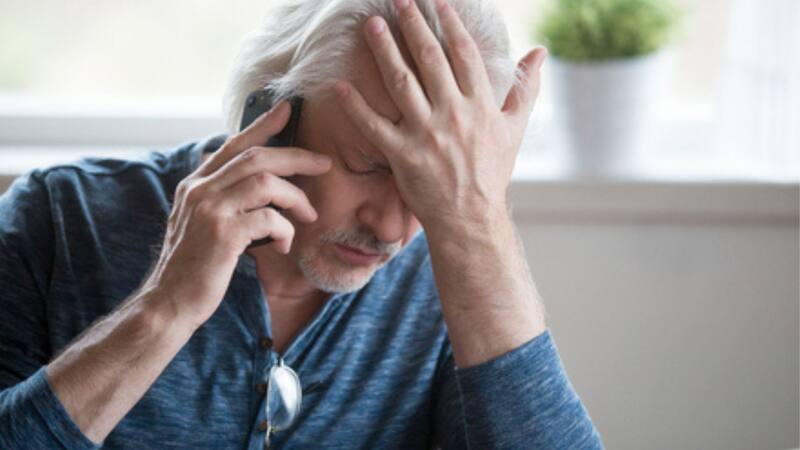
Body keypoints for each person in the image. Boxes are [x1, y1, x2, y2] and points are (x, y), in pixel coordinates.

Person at [0, 0, 604, 448]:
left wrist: (475, 221)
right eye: (370, 166)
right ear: (269, 117)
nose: (393, 228)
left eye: (431, 185)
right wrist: (165, 307)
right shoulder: (56, 218)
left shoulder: (459, 282)